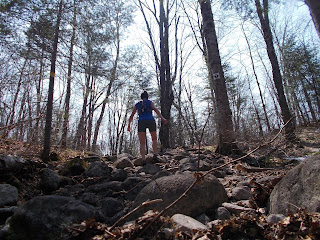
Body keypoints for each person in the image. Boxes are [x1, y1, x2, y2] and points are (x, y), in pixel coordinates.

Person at [127, 91, 168, 165]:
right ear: (147, 96)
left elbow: (132, 115)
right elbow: (155, 109)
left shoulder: (137, 104)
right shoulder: (150, 102)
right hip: (150, 120)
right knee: (154, 138)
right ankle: (155, 155)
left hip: (141, 121)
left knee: (142, 143)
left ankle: (143, 160)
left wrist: (129, 125)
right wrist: (162, 118)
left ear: (141, 97)